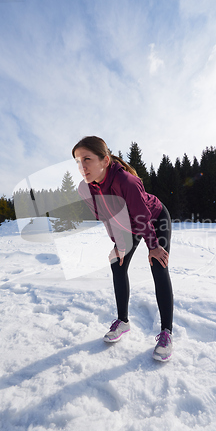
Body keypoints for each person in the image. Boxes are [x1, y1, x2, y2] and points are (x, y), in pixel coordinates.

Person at [72, 136, 174, 361]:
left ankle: (166, 333)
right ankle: (123, 322)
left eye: (87, 159)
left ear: (105, 160)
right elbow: (105, 217)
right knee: (117, 265)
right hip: (128, 225)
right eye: (78, 161)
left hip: (153, 218)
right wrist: (118, 245)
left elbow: (141, 216)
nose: (82, 166)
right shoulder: (85, 188)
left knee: (158, 264)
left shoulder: (126, 181)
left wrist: (153, 247)